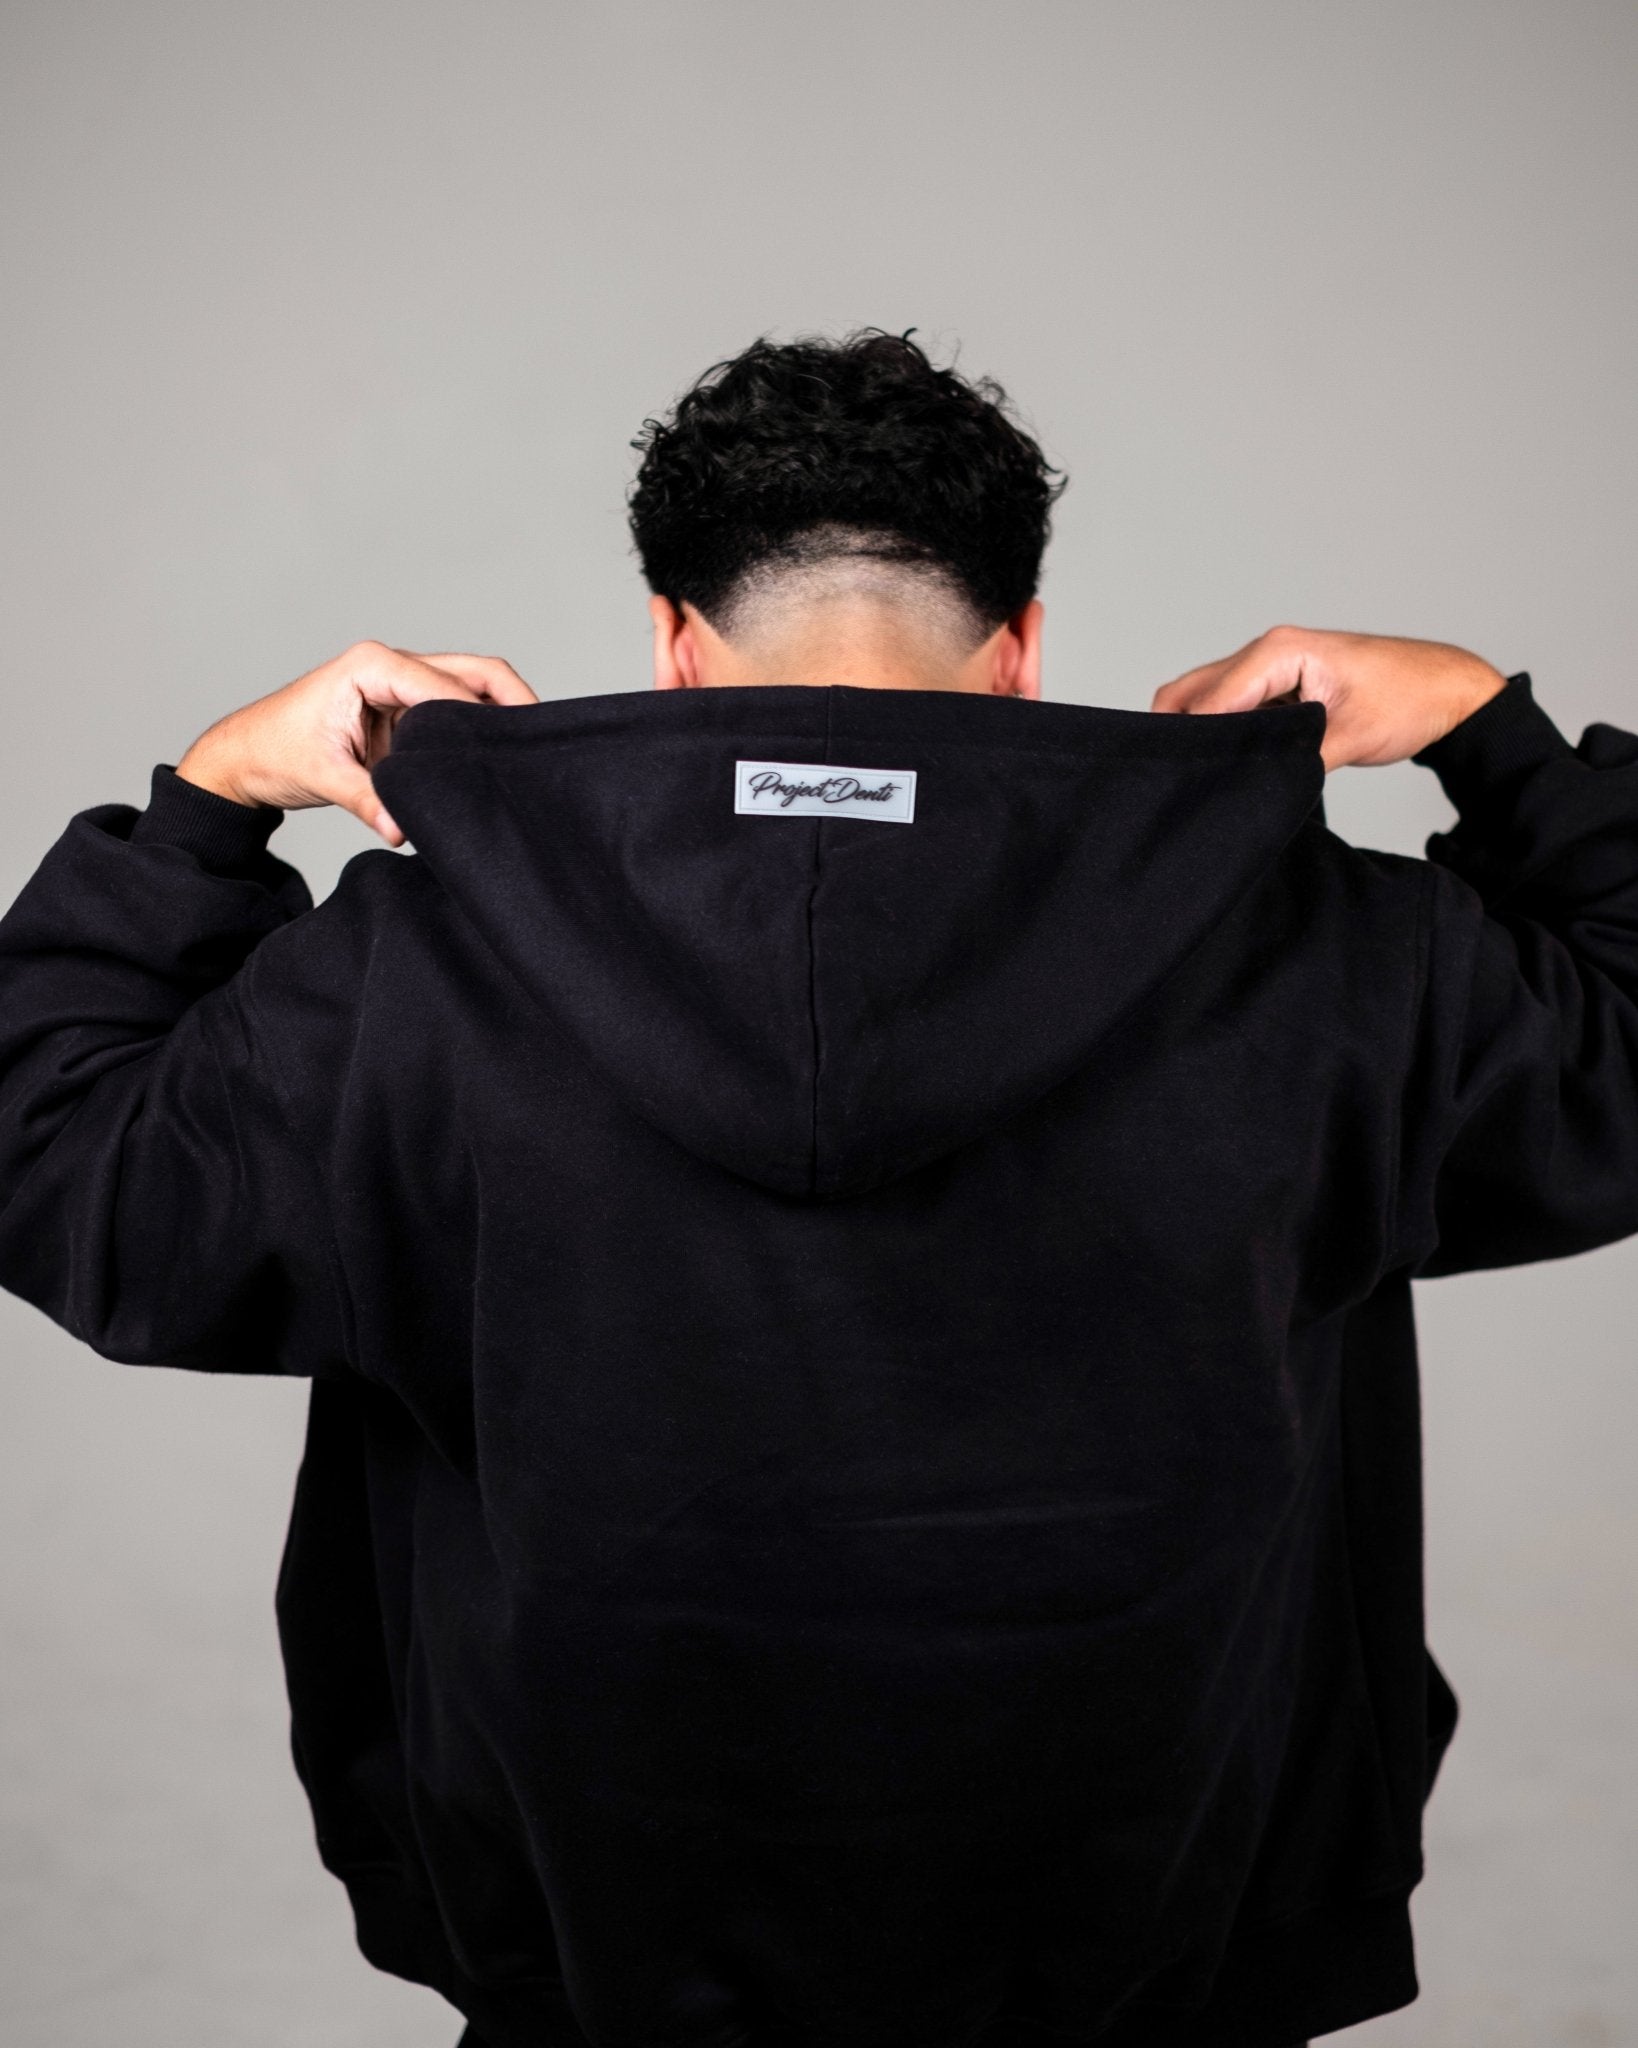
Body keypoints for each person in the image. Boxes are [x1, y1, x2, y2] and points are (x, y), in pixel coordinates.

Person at [1, 330, 1634, 2048]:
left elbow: (50, 1151)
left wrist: (210, 803)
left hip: (591, 1978)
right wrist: (1488, 732)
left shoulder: (406, 976)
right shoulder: (1328, 955)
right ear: (1019, 648)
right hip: (1167, 1967)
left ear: (674, 643)